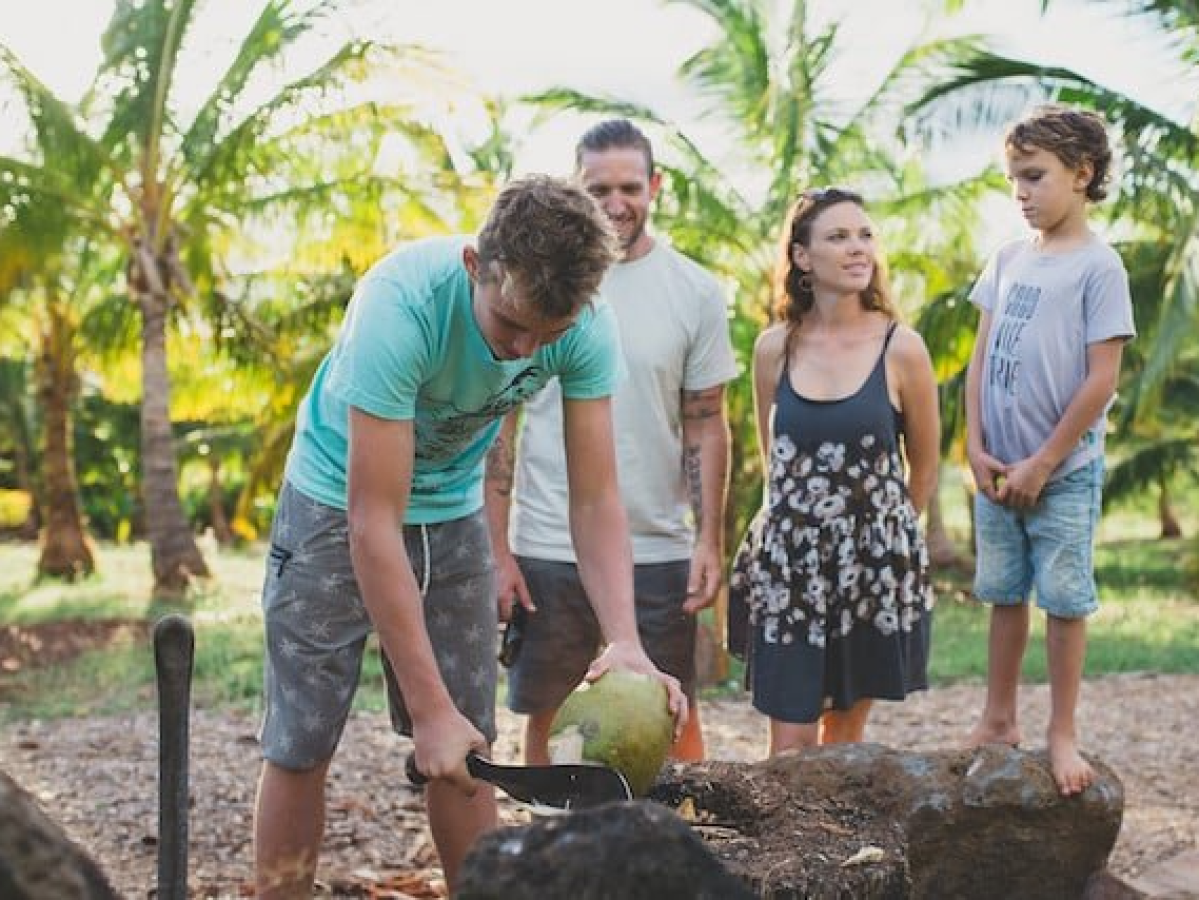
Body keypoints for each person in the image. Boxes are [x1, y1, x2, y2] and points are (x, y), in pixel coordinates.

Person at [251, 174, 687, 898]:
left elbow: (596, 497)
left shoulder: (581, 325)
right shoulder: (400, 307)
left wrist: (625, 641)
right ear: (472, 266)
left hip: (452, 511)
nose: (523, 351)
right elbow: (372, 521)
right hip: (333, 503)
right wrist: (425, 710)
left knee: (465, 745)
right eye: (510, 325)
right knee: (300, 742)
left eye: (545, 335)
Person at [487, 119, 738, 764]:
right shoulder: (540, 284)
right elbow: (501, 419)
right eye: (599, 188)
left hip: (657, 543)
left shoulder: (695, 291)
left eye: (631, 186)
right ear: (577, 188)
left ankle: (675, 853)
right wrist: (497, 547)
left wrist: (708, 539)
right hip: (546, 539)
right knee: (548, 713)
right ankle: (551, 850)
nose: (617, 202)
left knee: (670, 710)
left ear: (654, 185)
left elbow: (706, 419)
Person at [727, 186, 940, 757]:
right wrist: (791, 533)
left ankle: (829, 849)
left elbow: (923, 468)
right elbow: (777, 463)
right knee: (789, 747)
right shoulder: (775, 348)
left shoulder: (904, 349)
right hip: (789, 565)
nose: (857, 248)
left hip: (868, 566)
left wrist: (883, 540)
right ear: (802, 257)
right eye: (838, 237)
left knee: (841, 745)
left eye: (865, 235)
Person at [962, 105, 1135, 797]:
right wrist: (973, 446)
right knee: (1003, 594)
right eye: (1012, 180)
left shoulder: (1099, 267)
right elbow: (980, 358)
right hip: (998, 468)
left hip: (1060, 474)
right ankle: (996, 716)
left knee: (1063, 598)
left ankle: (1060, 730)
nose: (1020, 192)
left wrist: (1043, 463)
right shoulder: (1006, 258)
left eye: (1033, 176)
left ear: (1081, 174)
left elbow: (1100, 380)